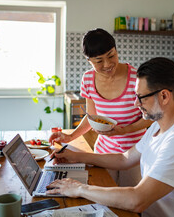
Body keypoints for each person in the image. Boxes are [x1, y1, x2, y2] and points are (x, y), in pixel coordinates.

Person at [47, 57, 174, 217]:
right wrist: (75, 156)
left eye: (140, 97)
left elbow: (137, 199)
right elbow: (124, 159)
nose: (136, 103)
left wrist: (79, 189)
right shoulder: (159, 125)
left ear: (164, 96)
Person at [49, 28, 152, 186]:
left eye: (111, 56)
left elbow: (150, 118)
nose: (108, 64)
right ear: (89, 61)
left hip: (134, 155)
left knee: (130, 205)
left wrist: (124, 130)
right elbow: (92, 118)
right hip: (104, 153)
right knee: (104, 200)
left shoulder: (136, 78)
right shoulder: (88, 79)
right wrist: (70, 137)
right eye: (99, 61)